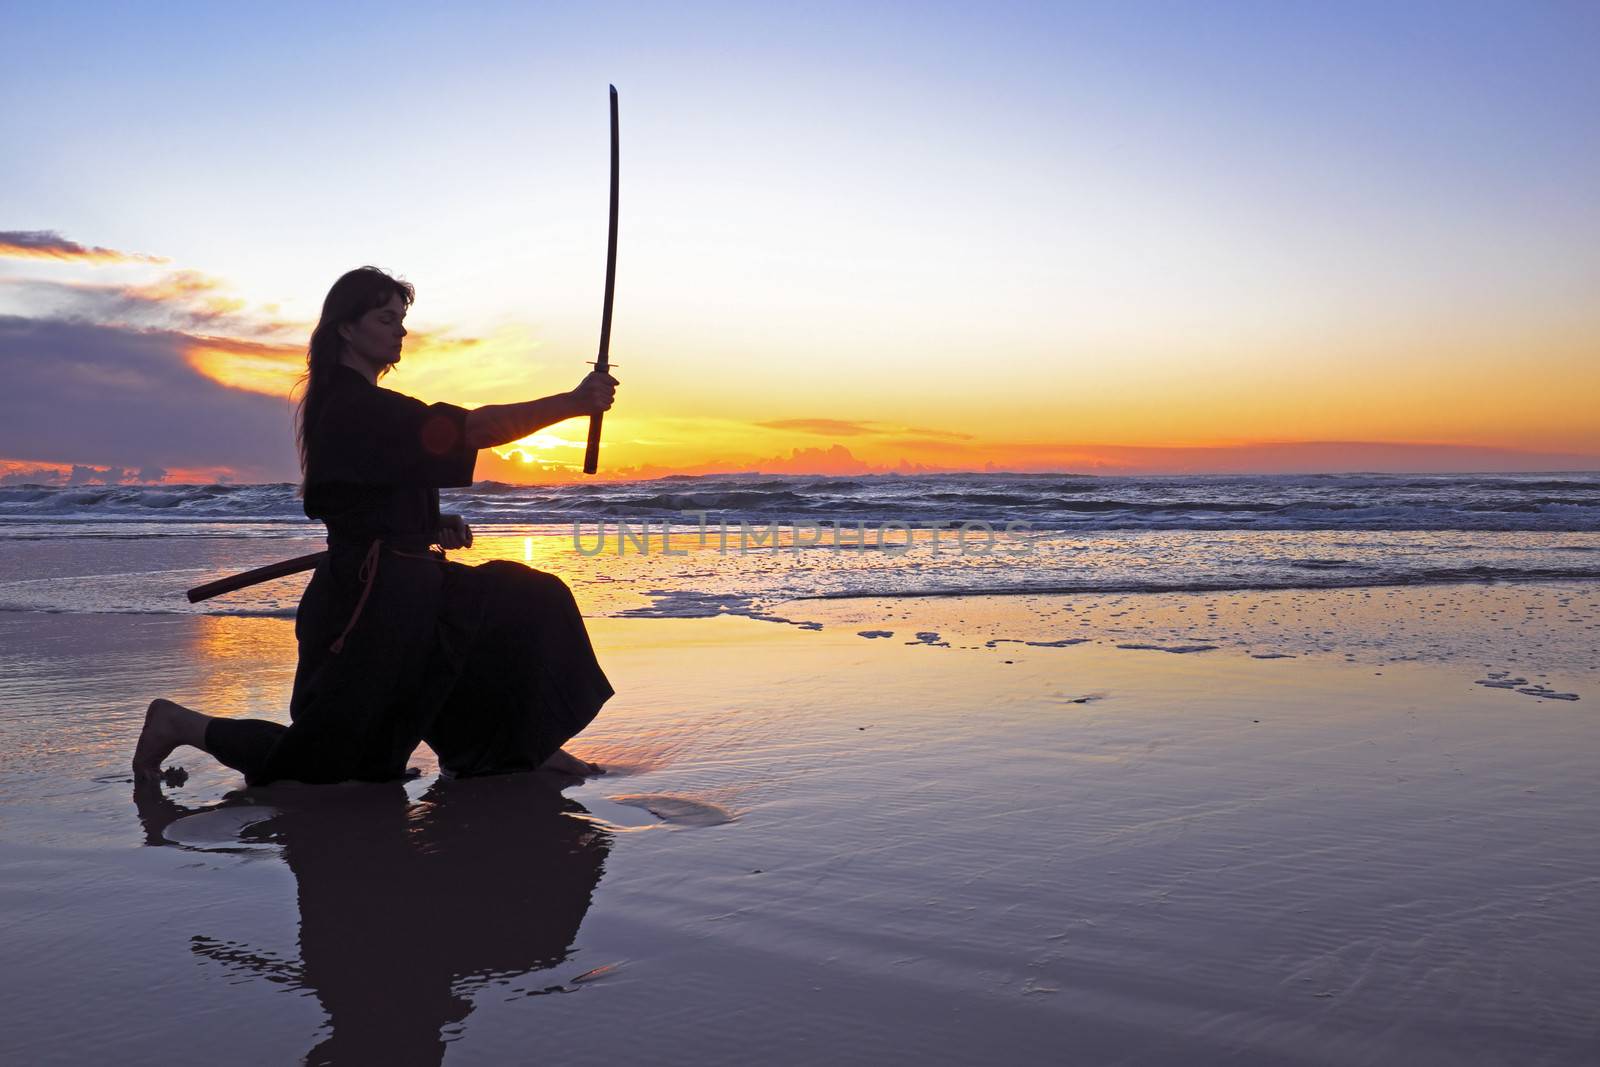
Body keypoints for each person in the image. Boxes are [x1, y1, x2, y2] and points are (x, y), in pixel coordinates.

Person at [133, 266, 618, 786]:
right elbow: (477, 428)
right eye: (386, 318)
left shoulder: (357, 407)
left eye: (402, 320)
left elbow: (368, 494)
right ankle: (180, 723)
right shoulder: (354, 406)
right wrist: (571, 403)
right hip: (367, 601)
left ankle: (513, 751)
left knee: (525, 601)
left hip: (407, 585)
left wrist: (429, 522)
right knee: (329, 768)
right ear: (346, 327)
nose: (400, 331)